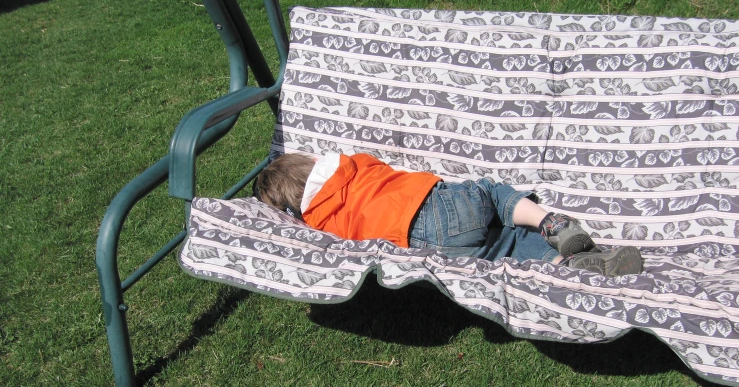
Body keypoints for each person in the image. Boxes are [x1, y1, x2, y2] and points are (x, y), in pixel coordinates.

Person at [253, 152, 643, 276]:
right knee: (492, 195)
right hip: (436, 203)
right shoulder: (350, 163)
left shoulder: (319, 220)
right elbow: (383, 170)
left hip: (425, 243)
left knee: (500, 246)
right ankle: (548, 222)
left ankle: (563, 263)